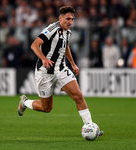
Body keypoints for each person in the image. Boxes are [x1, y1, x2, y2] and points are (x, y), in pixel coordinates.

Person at [17, 6, 103, 136]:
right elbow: (34, 45)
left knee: (78, 95)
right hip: (45, 72)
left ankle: (89, 126)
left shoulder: (68, 32)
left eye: (72, 19)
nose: (70, 22)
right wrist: (44, 59)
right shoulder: (52, 29)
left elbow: (65, 46)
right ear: (60, 18)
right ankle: (25, 102)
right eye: (68, 19)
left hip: (61, 69)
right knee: (47, 108)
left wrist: (73, 64)